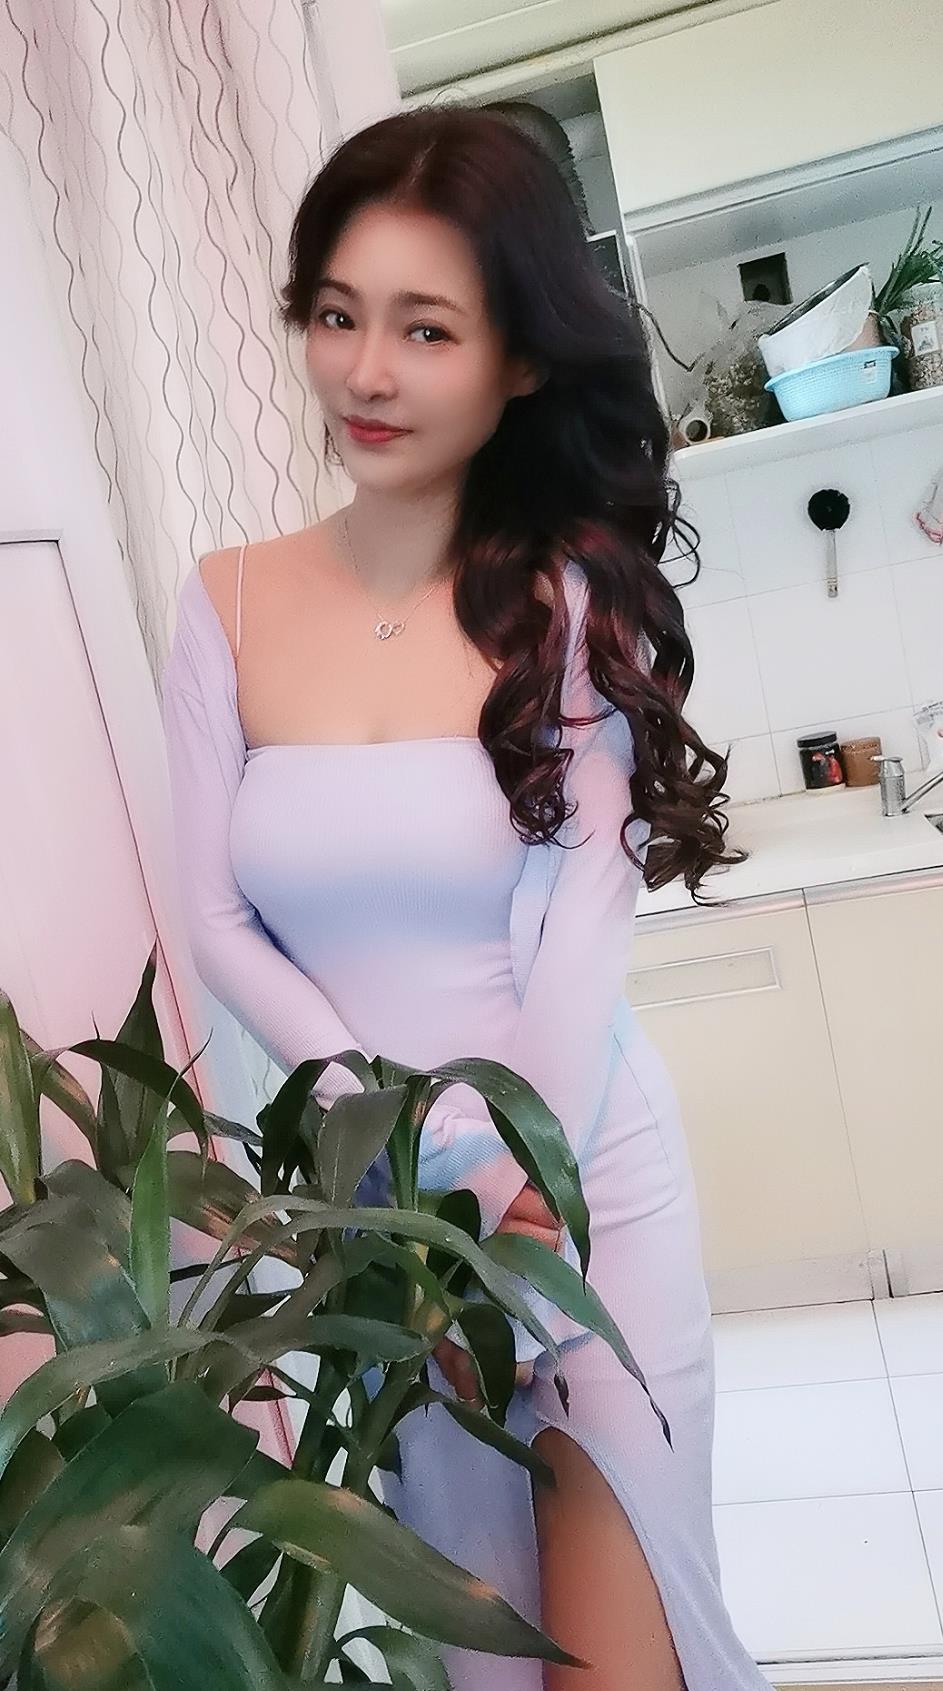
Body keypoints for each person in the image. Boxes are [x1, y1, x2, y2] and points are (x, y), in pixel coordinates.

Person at [160, 107, 767, 1691]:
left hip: (579, 1188)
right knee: (483, 1649)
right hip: (380, 1213)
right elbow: (218, 920)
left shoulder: (566, 599)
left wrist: (512, 1181)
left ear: (519, 361)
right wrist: (387, 1148)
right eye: (338, 314)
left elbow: (586, 917)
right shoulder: (225, 604)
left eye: (426, 329)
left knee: (615, 1647)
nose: (367, 372)